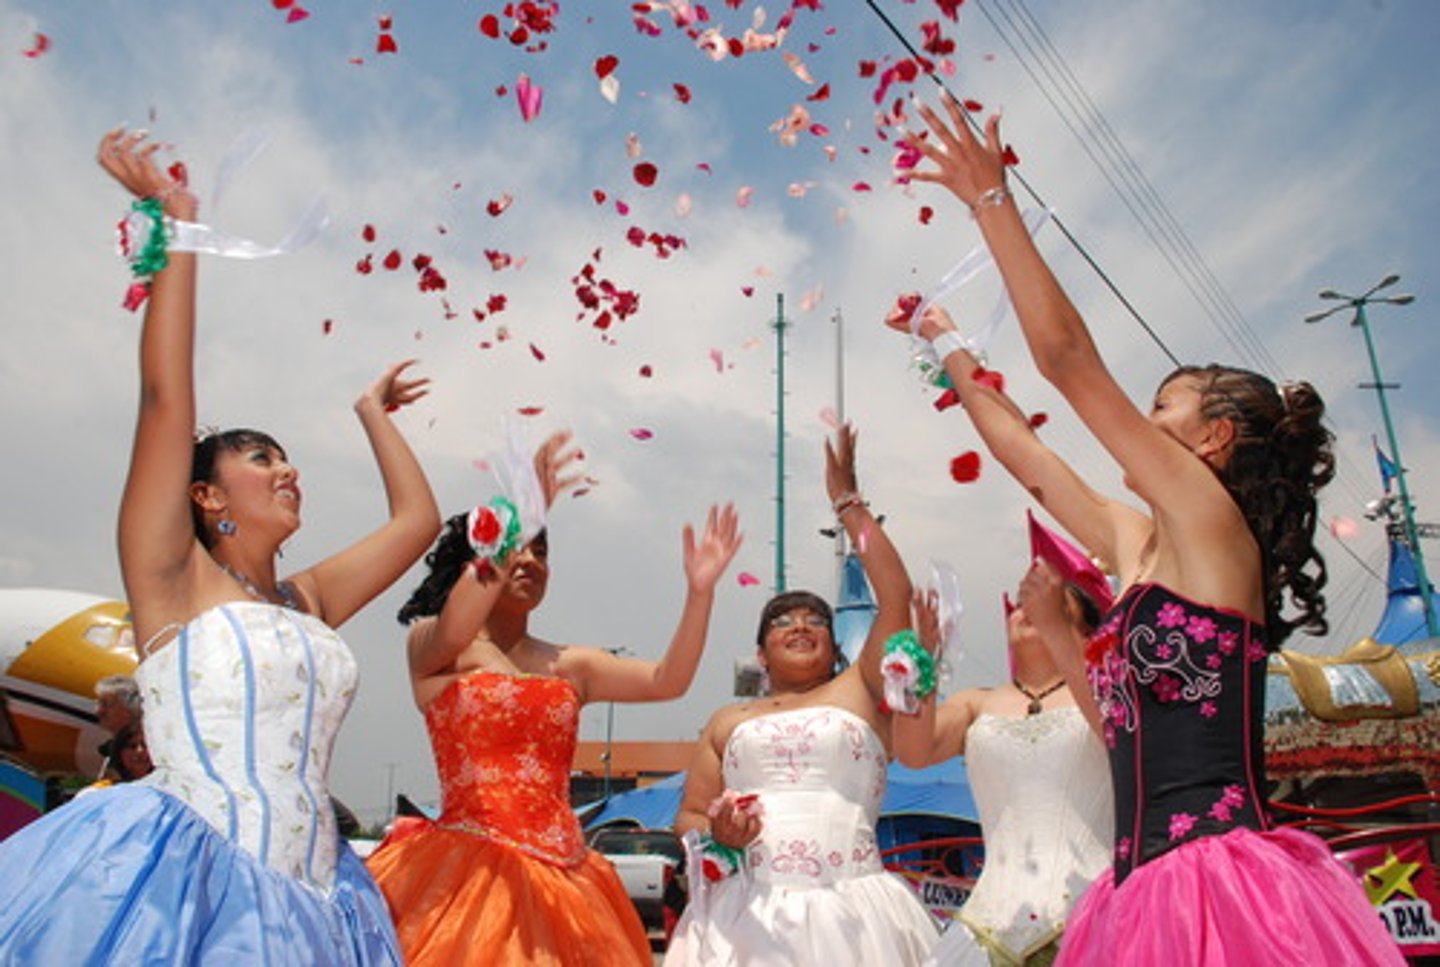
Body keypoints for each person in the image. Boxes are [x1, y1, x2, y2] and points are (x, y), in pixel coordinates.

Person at [892, 91, 1403, 964]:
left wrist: (991, 202)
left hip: (1221, 879)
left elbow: (1068, 362)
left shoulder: (1214, 526)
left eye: (1164, 405)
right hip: (1135, 889)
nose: (1144, 419)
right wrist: (946, 347)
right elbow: (1028, 457)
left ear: (1214, 439)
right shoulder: (1138, 545)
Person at [0, 129, 440, 964]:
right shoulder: (170, 579)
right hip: (193, 885)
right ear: (204, 494)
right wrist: (176, 227)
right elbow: (167, 399)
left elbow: (417, 523)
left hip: (321, 897)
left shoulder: (305, 601)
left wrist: (372, 414)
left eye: (285, 456)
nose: (288, 471)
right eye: (261, 457)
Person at [364, 436, 743, 967]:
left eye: (541, 549)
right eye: (516, 546)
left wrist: (700, 593)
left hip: (567, 878)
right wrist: (521, 514)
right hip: (464, 877)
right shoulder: (436, 647)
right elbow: (455, 627)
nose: (529, 560)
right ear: (477, 560)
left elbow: (667, 680)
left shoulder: (572, 663)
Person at [665, 425, 939, 966]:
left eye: (816, 619)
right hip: (745, 916)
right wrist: (721, 834)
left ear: (837, 646)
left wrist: (848, 502)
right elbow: (690, 814)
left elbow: (895, 596)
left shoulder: (859, 688)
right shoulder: (728, 720)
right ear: (761, 654)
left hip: (854, 912)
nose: (800, 625)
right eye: (782, 621)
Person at [893, 514, 1113, 967]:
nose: (1025, 611)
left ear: (1085, 630)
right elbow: (913, 753)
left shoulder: (1109, 693)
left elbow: (1114, 730)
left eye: (1051, 606)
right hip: (988, 922)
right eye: (1019, 604)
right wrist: (923, 665)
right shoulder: (978, 703)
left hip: (1097, 916)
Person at [94, 673, 142, 780]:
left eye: (106, 704)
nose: (99, 711)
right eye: (98, 704)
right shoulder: (115, 746)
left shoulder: (141, 747)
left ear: (130, 708)